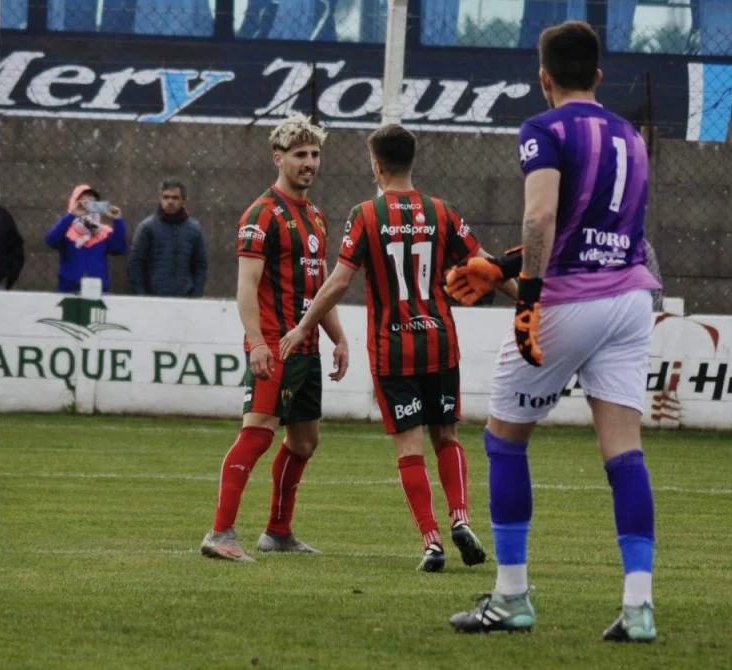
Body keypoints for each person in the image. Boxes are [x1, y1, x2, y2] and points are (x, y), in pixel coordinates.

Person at [443, 21, 662, 640]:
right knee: (625, 453)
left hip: (570, 301)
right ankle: (639, 607)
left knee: (505, 441)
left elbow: (542, 213)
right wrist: (503, 265)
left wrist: (526, 297)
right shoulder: (631, 136)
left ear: (543, 78)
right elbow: (590, 227)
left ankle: (512, 599)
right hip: (629, 300)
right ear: (597, 74)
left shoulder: (544, 128)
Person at [280, 124, 500, 572]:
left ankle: (432, 541)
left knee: (409, 448)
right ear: (410, 162)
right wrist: (535, 298)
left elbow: (339, 281)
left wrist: (304, 326)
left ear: (377, 167)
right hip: (440, 340)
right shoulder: (442, 212)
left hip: (392, 348)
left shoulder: (364, 215)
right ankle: (460, 518)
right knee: (448, 437)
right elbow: (486, 267)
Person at [200, 115, 349, 563]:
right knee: (259, 431)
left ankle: (278, 532)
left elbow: (319, 286)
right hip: (274, 346)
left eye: (315, 154)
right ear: (278, 158)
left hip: (306, 349)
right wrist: (257, 342)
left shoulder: (317, 217)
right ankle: (220, 532)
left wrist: (338, 337)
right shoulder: (261, 214)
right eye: (300, 155)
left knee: (304, 442)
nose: (309, 163)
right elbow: (246, 286)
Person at [127, 179, 208, 297]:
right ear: (160, 199)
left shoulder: (194, 229)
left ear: (183, 200)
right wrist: (141, 296)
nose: (170, 201)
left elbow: (201, 265)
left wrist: (195, 296)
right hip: (153, 298)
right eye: (166, 197)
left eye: (175, 198)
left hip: (184, 298)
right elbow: (135, 264)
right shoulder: (147, 227)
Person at [45, 184, 128, 293]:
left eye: (92, 202)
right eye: (83, 202)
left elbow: (119, 249)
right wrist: (71, 215)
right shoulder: (67, 230)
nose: (87, 206)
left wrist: (117, 221)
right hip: (68, 290)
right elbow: (51, 241)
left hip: (98, 291)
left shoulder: (103, 232)